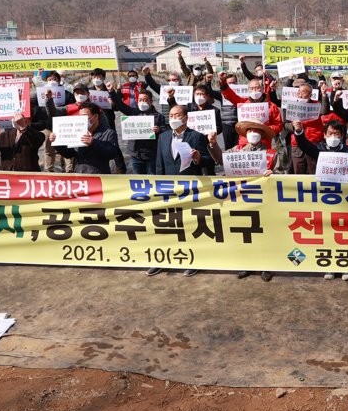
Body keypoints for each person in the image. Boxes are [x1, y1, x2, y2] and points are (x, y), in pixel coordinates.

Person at [148, 105, 214, 277]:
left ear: (186, 118)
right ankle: (163, 259)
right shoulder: (162, 137)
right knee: (168, 225)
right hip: (168, 188)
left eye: (177, 115)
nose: (173, 118)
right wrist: (158, 185)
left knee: (190, 225)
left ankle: (194, 260)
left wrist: (199, 158)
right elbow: (159, 163)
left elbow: (209, 161)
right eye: (170, 115)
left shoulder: (196, 136)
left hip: (190, 188)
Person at [291, 119, 348, 281]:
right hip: (324, 197)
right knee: (327, 230)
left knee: (344, 231)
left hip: (344, 199)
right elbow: (304, 145)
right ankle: (330, 264)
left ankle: (346, 265)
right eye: (330, 133)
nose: (333, 136)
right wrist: (299, 131)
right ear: (324, 135)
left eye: (337, 134)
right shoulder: (319, 149)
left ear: (342, 136)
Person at [229, 120, 277, 282]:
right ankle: (247, 264)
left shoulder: (272, 153)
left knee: (266, 233)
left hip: (265, 200)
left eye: (256, 131)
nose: (253, 134)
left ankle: (266, 266)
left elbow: (284, 174)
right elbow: (221, 159)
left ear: (262, 135)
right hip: (244, 198)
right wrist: (213, 144)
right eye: (249, 131)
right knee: (246, 233)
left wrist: (274, 174)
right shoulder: (237, 151)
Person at [50, 103, 122, 175]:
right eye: (80, 116)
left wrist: (93, 143)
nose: (82, 119)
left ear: (96, 116)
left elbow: (112, 153)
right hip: (80, 176)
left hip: (99, 177)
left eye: (84, 116)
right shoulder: (77, 133)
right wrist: (56, 142)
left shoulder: (108, 133)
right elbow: (69, 153)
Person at [108, 85, 166, 175]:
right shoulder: (133, 112)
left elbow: (165, 130)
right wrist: (112, 92)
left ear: (151, 101)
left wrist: (159, 130)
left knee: (151, 179)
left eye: (145, 100)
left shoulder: (158, 116)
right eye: (140, 100)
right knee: (137, 180)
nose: (142, 102)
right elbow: (120, 105)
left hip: (151, 155)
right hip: (135, 154)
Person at [219, 74, 284, 149]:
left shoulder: (271, 106)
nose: (254, 90)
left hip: (264, 143)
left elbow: (278, 125)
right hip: (245, 143)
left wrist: (265, 129)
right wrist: (223, 82)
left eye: (257, 88)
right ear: (248, 90)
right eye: (252, 88)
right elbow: (230, 96)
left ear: (263, 89)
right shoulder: (244, 103)